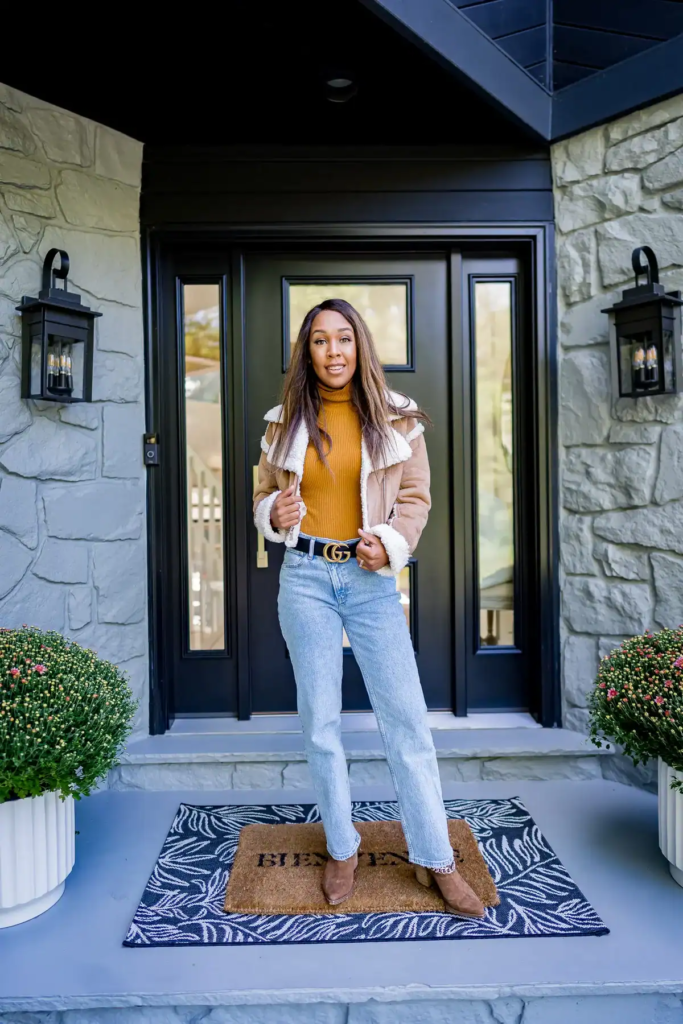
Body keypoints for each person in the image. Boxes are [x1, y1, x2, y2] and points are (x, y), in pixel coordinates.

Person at [253, 298, 484, 919]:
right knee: (320, 722)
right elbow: (262, 494)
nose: (333, 351)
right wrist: (273, 512)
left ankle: (436, 856)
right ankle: (341, 846)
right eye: (320, 340)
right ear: (307, 352)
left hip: (369, 580)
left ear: (359, 346)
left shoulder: (397, 417)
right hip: (305, 577)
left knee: (406, 720)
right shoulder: (282, 423)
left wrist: (390, 543)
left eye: (343, 339)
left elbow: (415, 498)